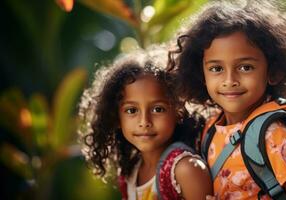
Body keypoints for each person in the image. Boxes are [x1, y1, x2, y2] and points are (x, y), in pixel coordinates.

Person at [168, 1, 286, 199]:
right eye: (216, 69)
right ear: (201, 73)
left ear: (274, 71)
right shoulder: (210, 129)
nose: (230, 81)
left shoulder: (277, 138)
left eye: (245, 67)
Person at [78, 48, 212, 200]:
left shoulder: (186, 170)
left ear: (178, 111)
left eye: (158, 109)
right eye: (131, 110)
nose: (144, 122)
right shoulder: (130, 171)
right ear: (116, 117)